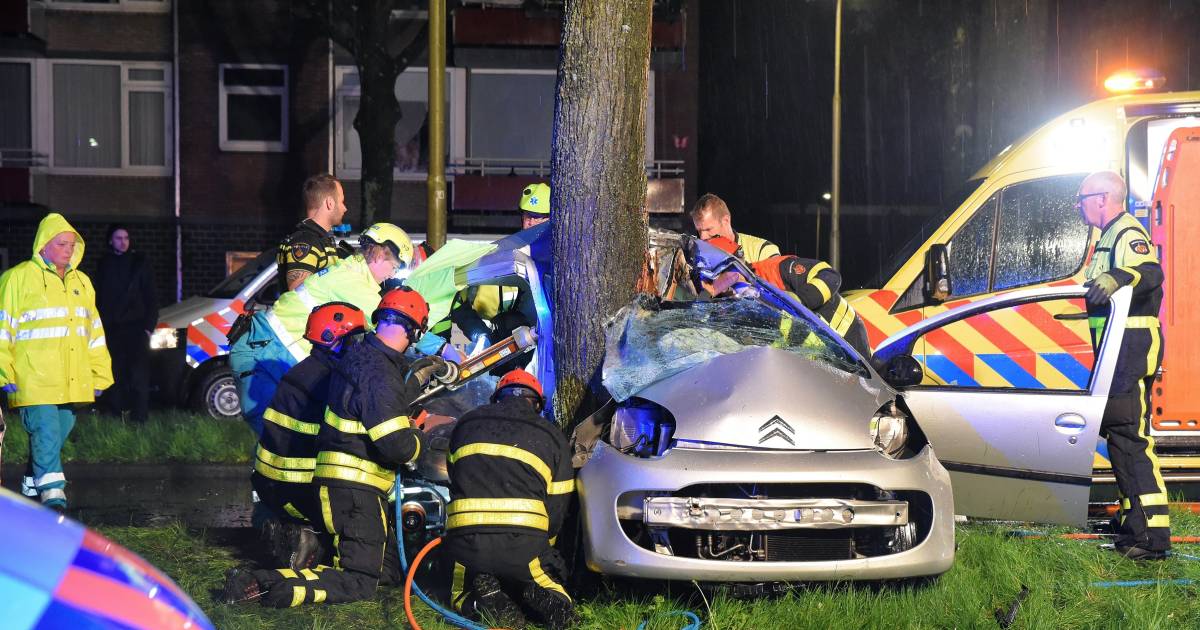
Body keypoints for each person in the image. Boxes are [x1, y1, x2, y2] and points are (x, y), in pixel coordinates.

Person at [223, 287, 433, 607]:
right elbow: (396, 443)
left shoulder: (329, 368)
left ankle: (308, 549)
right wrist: (419, 438)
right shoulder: (360, 372)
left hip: (294, 486)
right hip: (336, 490)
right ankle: (260, 585)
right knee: (359, 582)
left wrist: (414, 380)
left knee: (387, 569)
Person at [230, 222, 414, 438]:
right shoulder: (352, 282)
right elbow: (395, 322)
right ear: (380, 253)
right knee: (278, 443)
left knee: (295, 443)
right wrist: (440, 349)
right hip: (264, 357)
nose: (392, 275)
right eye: (394, 266)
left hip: (271, 353)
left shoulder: (349, 272)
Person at [1076, 170, 1170, 560]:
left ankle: (1152, 537)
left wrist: (1119, 276)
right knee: (1120, 433)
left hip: (1132, 345)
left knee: (1129, 436)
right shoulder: (1107, 236)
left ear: (1102, 198)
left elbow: (1151, 273)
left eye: (1081, 199)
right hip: (1118, 348)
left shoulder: (1127, 232)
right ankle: (1133, 520)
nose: (1078, 206)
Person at [444, 370, 575, 630]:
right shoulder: (551, 435)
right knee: (554, 589)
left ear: (497, 398)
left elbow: (454, 478)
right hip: (524, 543)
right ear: (537, 403)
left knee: (458, 597)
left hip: (467, 541)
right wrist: (544, 546)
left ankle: (480, 600)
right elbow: (558, 505)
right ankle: (537, 594)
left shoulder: (466, 424)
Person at [0, 213, 112, 510]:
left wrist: (99, 375)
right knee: (47, 431)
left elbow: (93, 332)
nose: (68, 249)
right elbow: (2, 328)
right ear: (43, 245)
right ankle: (53, 497)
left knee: (58, 432)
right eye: (62, 243)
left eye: (72, 244)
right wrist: (4, 371)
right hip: (32, 376)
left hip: (71, 378)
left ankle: (31, 482)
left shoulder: (82, 282)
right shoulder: (17, 278)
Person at [253, 302, 366, 571]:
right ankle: (314, 539)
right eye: (356, 338)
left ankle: (297, 530)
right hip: (299, 488)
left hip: (270, 484)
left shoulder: (304, 371)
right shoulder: (331, 381)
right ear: (333, 340)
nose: (361, 345)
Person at [94, 224, 158, 423]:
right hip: (112, 329)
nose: (123, 242)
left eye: (126, 237)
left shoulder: (139, 263)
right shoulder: (104, 264)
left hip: (136, 328)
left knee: (139, 376)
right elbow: (99, 296)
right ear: (110, 240)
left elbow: (151, 296)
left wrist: (148, 327)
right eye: (119, 238)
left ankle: (139, 418)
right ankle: (116, 415)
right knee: (115, 373)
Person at [277, 174, 349, 293]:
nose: (344, 208)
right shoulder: (305, 242)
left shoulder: (320, 240)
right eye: (341, 202)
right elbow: (297, 294)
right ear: (330, 203)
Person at [690, 193, 780, 263]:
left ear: (726, 221)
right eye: (699, 231)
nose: (702, 237)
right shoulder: (697, 256)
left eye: (708, 229)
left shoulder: (763, 250)